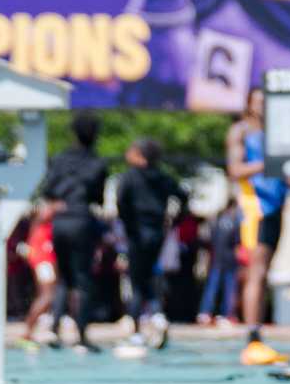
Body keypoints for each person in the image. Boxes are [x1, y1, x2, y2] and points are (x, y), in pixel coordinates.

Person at [226, 89, 290, 366]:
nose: (264, 107)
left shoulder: (278, 133)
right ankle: (252, 339)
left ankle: (258, 336)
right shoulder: (241, 131)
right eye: (259, 102)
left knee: (264, 275)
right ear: (250, 105)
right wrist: (268, 163)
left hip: (277, 208)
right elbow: (236, 169)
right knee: (256, 271)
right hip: (256, 209)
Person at [36, 113, 108, 353]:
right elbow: (98, 197)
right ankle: (82, 333)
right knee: (83, 278)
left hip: (60, 222)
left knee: (64, 278)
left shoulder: (60, 159)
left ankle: (54, 328)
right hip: (82, 220)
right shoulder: (97, 162)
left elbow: (49, 189)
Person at [113, 138, 183, 357]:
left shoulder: (130, 177)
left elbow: (121, 201)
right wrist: (174, 220)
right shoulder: (163, 177)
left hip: (137, 233)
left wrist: (128, 225)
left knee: (136, 280)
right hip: (156, 232)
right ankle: (158, 315)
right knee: (147, 277)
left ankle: (136, 329)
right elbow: (183, 195)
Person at [18, 202, 59, 349]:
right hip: (43, 261)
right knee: (46, 296)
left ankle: (30, 332)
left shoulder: (43, 225)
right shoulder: (39, 223)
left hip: (45, 260)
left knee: (46, 296)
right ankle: (27, 333)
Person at [198, 201, 242, 327]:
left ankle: (205, 313)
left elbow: (209, 241)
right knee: (229, 289)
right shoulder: (235, 222)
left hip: (216, 259)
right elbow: (238, 242)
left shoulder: (216, 221)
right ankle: (228, 314)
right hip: (229, 260)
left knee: (212, 287)